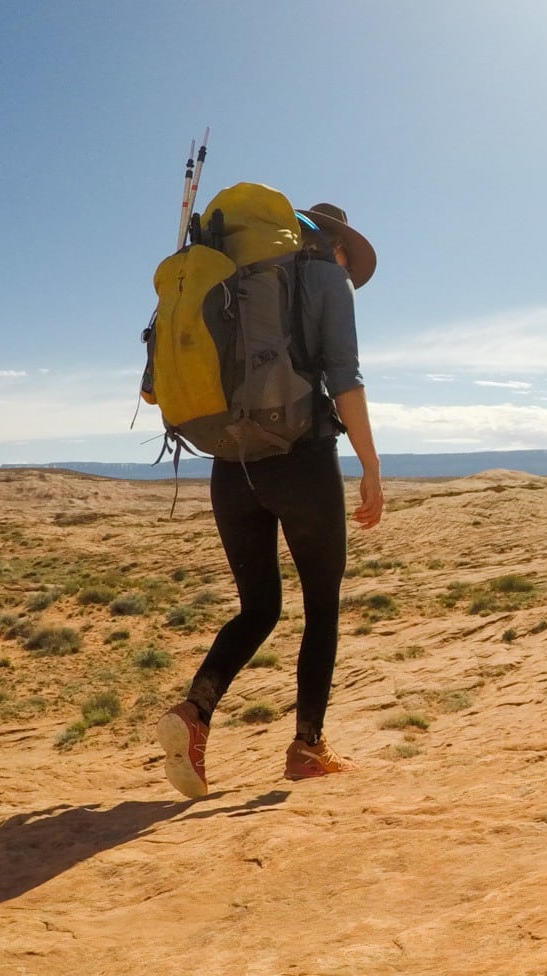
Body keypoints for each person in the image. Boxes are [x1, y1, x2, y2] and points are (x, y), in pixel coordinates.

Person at [156, 202, 383, 797]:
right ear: (333, 244)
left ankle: (194, 714)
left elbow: (155, 391)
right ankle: (308, 747)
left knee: (258, 607)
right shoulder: (324, 277)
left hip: (231, 466)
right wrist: (371, 467)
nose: (347, 271)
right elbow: (345, 377)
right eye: (346, 259)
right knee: (321, 604)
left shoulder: (228, 280)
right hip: (302, 460)